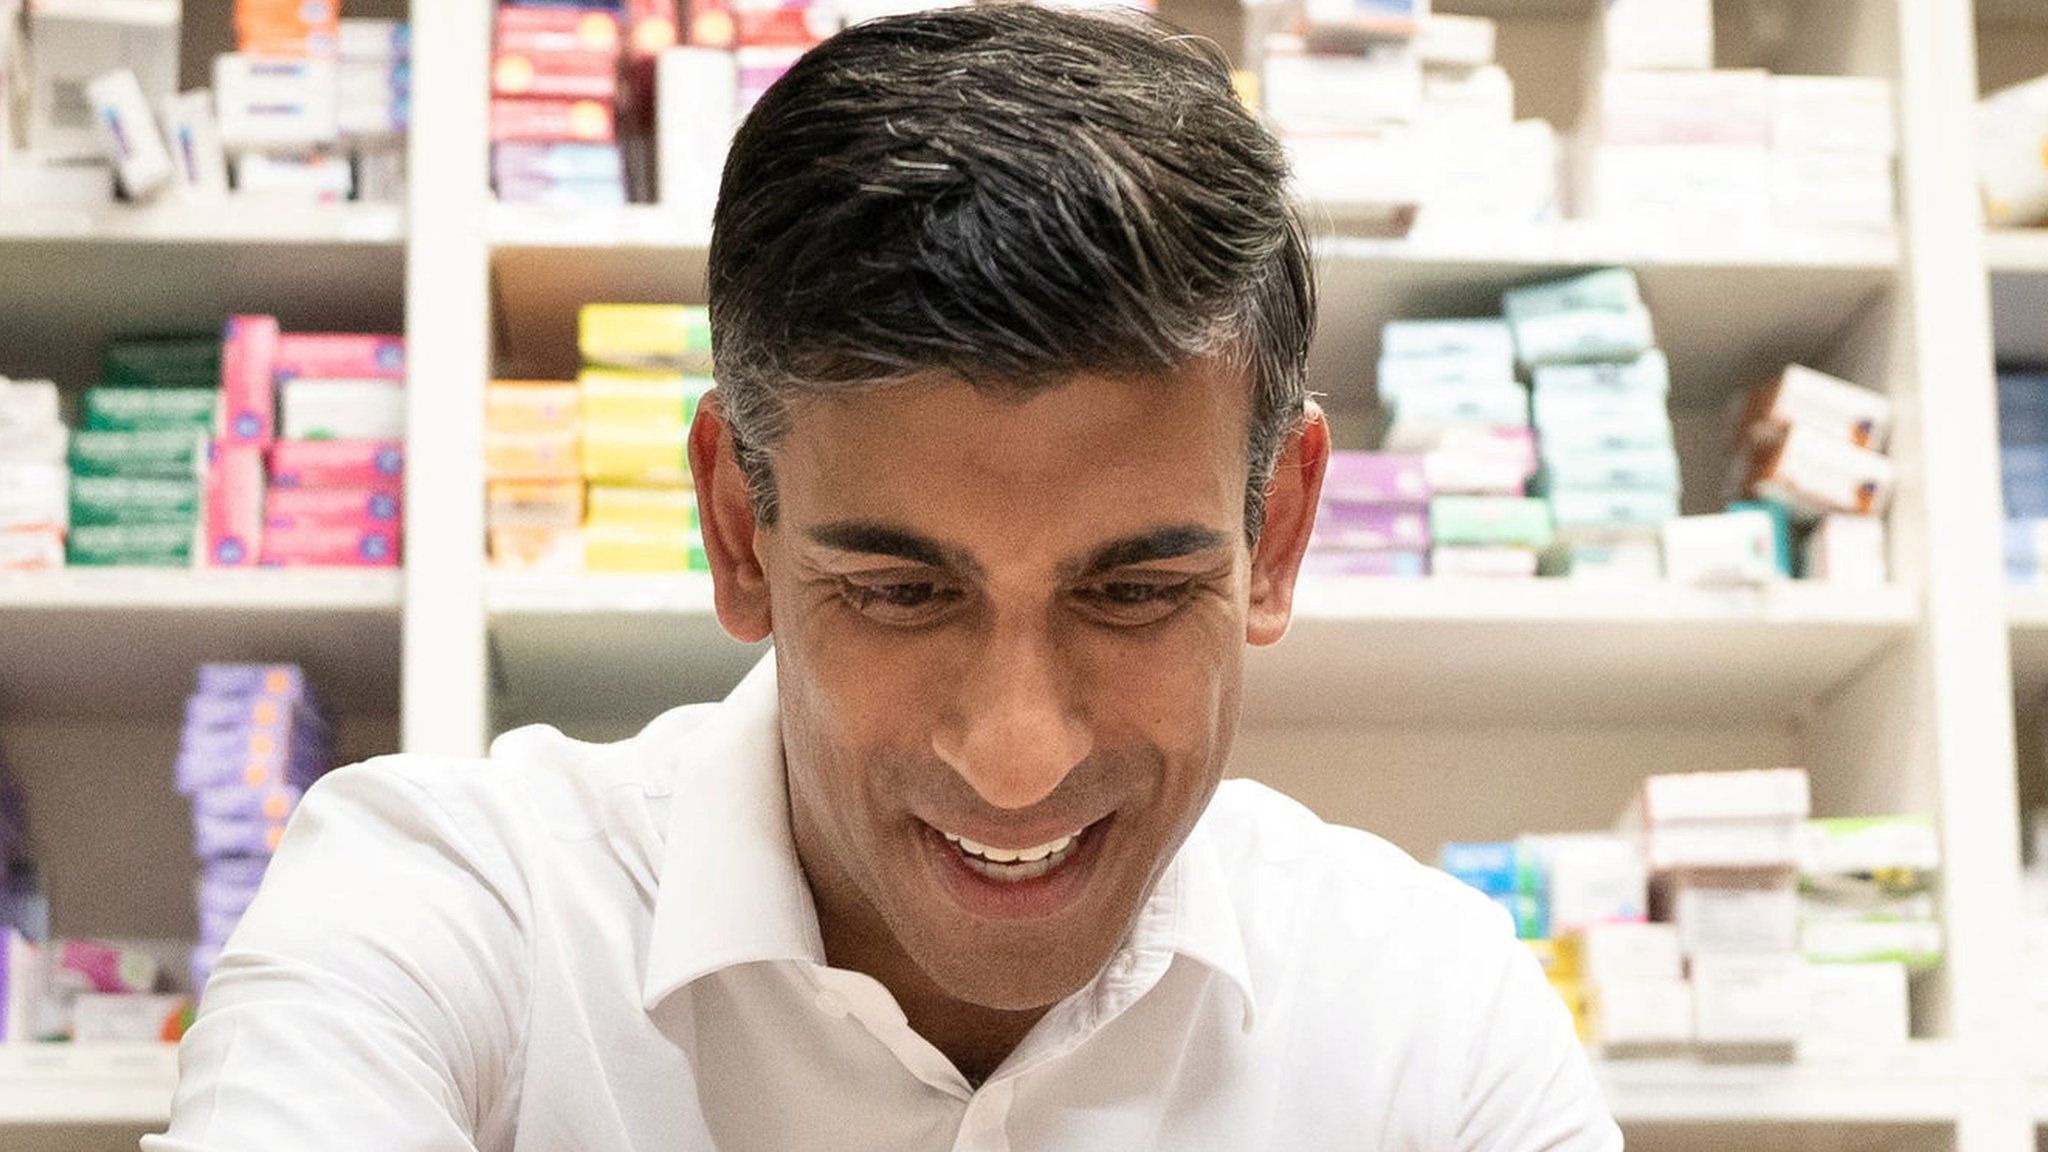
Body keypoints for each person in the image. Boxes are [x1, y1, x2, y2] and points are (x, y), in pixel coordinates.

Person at [147, 6, 1621, 1149]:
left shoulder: (1427, 1010)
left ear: (1278, 535)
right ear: (738, 526)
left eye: (1134, 592)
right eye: (905, 594)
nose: (1018, 752)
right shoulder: (455, 911)